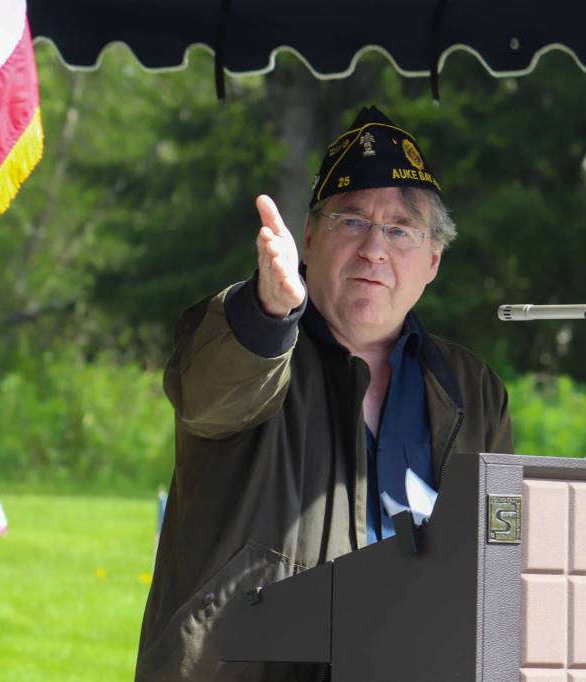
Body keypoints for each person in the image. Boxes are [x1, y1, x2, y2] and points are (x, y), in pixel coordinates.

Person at [135, 106, 513, 681]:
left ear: (433, 261)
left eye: (400, 229)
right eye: (352, 221)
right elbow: (212, 395)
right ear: (308, 239)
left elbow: (500, 552)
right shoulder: (252, 339)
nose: (374, 250)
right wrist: (268, 312)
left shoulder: (474, 388)